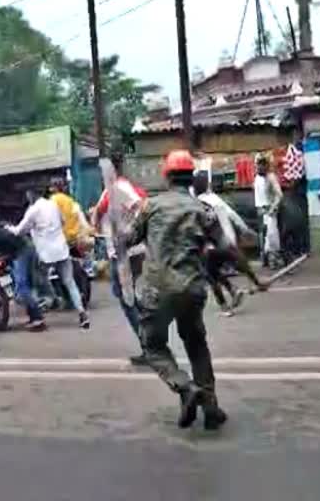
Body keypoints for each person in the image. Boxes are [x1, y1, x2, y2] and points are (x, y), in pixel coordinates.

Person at [125, 150, 226, 431]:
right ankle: (211, 406)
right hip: (192, 289)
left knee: (153, 345)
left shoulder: (150, 206)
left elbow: (128, 238)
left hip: (157, 290)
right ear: (192, 177)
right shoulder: (203, 210)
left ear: (166, 176)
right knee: (196, 344)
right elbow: (226, 247)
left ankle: (184, 387)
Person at [93, 154, 147, 364]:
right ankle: (149, 326)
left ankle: (148, 343)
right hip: (128, 251)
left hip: (126, 253)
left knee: (127, 299)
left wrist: (128, 233)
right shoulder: (114, 190)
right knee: (125, 294)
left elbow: (139, 208)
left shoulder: (119, 189)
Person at [10, 187, 90, 329]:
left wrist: (8, 228)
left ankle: (42, 311)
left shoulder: (33, 210)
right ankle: (82, 313)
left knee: (36, 283)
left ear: (31, 193)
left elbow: (19, 231)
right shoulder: (53, 204)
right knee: (69, 282)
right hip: (62, 249)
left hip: (45, 254)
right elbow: (63, 221)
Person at [192, 171, 268, 315]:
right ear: (207, 186)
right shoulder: (214, 199)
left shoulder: (194, 204)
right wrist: (245, 229)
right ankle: (252, 284)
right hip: (226, 240)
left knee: (210, 274)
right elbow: (232, 215)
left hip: (211, 244)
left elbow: (196, 229)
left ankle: (225, 306)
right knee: (237, 263)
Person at [0, 200, 45, 330]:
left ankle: (38, 318)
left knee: (21, 288)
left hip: (21, 251)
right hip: (26, 247)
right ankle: (34, 317)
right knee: (25, 286)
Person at [254, 154, 284, 268]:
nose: (259, 167)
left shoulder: (271, 177)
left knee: (271, 236)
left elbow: (279, 195)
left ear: (266, 166)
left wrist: (273, 208)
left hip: (269, 210)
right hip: (260, 210)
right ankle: (266, 259)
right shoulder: (257, 178)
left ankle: (273, 259)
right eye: (258, 165)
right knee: (263, 236)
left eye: (262, 164)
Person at [50, 177, 92, 252]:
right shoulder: (71, 201)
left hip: (61, 240)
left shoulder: (52, 201)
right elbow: (81, 219)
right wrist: (87, 231)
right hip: (74, 238)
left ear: (53, 188)